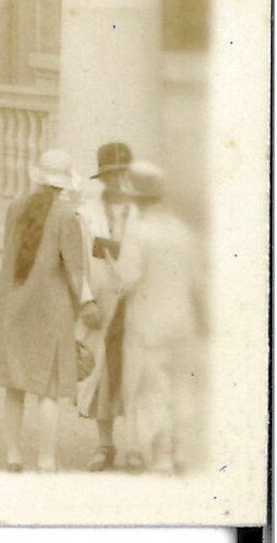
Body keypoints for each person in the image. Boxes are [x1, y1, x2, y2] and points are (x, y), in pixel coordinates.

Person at [0, 148, 92, 473]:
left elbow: (9, 254)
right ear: (66, 182)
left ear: (37, 175)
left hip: (13, 303)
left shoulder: (15, 208)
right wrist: (84, 305)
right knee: (49, 391)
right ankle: (46, 460)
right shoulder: (68, 216)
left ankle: (13, 457)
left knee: (14, 385)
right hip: (51, 309)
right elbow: (75, 270)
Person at [108, 161, 205, 474]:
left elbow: (126, 279)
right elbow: (198, 282)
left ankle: (161, 456)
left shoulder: (139, 232)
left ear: (135, 198)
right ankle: (180, 452)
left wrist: (111, 259)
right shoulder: (182, 231)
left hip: (147, 327)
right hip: (182, 322)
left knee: (151, 391)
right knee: (182, 389)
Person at [75, 140, 135, 471]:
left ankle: (138, 446)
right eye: (110, 174)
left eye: (122, 173)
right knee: (101, 374)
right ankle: (105, 445)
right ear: (102, 178)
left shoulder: (142, 213)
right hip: (102, 304)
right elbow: (75, 264)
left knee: (138, 375)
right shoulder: (85, 215)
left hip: (136, 305)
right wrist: (86, 301)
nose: (117, 180)